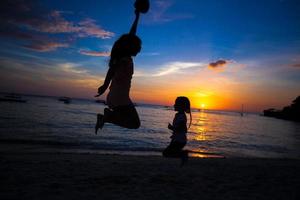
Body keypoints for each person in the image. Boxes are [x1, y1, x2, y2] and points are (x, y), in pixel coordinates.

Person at [163, 96, 192, 166]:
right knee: (166, 153)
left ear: (181, 106)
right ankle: (183, 156)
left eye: (176, 104)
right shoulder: (178, 115)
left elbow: (182, 129)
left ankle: (184, 154)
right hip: (177, 139)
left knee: (166, 153)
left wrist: (172, 128)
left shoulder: (182, 116)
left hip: (179, 140)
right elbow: (180, 128)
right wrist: (173, 128)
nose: (174, 105)